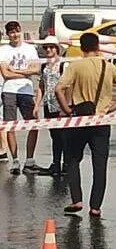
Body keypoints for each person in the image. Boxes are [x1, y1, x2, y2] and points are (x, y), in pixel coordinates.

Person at [54, 32, 116, 217]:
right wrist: (112, 109)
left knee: (72, 160)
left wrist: (66, 110)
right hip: (101, 121)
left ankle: (76, 199)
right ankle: (95, 206)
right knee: (100, 164)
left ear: (81, 48)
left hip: (79, 120)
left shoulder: (75, 66)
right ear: (98, 47)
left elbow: (59, 88)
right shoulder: (108, 66)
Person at [0, 20, 42, 174]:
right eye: (11, 32)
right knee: (10, 126)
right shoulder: (3, 50)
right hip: (9, 90)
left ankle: (30, 160)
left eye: (16, 31)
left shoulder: (30, 49)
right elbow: (5, 73)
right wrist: (26, 70)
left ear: (20, 31)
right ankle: (15, 160)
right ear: (8, 34)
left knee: (33, 124)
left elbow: (36, 69)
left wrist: (16, 71)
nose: (14, 35)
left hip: (26, 90)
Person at [36, 37, 66, 178]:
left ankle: (66, 164)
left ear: (57, 49)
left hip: (61, 105)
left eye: (51, 47)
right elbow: (42, 86)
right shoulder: (44, 66)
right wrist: (37, 104)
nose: (48, 50)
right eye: (46, 47)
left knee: (64, 136)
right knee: (54, 135)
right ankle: (55, 164)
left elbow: (68, 85)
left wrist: (65, 106)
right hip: (49, 105)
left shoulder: (63, 64)